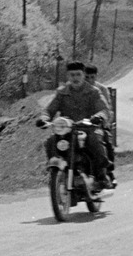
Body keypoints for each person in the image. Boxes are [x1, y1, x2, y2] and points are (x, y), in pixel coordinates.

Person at [45, 60, 111, 191]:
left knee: (95, 142)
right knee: (50, 141)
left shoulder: (94, 92)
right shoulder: (61, 92)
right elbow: (50, 109)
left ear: (83, 75)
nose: (75, 78)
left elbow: (104, 109)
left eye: (78, 74)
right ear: (67, 76)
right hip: (67, 130)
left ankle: (101, 176)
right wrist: (44, 118)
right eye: (72, 75)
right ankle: (56, 173)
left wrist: (99, 116)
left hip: (89, 128)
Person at [84, 63, 116, 186]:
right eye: (87, 77)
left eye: (92, 77)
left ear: (96, 77)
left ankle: (107, 171)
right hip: (81, 124)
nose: (90, 80)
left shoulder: (102, 90)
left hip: (98, 124)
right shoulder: (79, 90)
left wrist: (103, 122)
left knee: (106, 143)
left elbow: (107, 109)